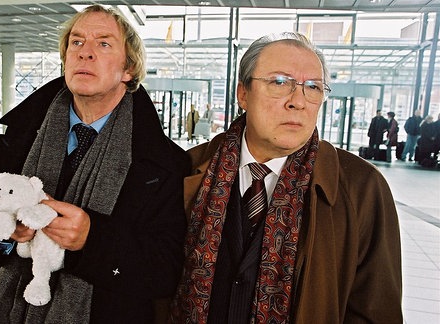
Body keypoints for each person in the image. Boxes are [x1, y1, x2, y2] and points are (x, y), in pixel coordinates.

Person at [0, 5, 189, 323]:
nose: (85, 53)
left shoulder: (162, 163)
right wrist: (6, 235)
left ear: (129, 68)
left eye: (103, 43)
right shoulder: (24, 135)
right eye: (77, 42)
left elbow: (167, 269)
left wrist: (91, 240)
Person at [169, 32, 402, 323]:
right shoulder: (188, 169)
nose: (298, 101)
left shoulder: (361, 188)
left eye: (313, 87)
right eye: (280, 82)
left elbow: (375, 311)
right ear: (243, 93)